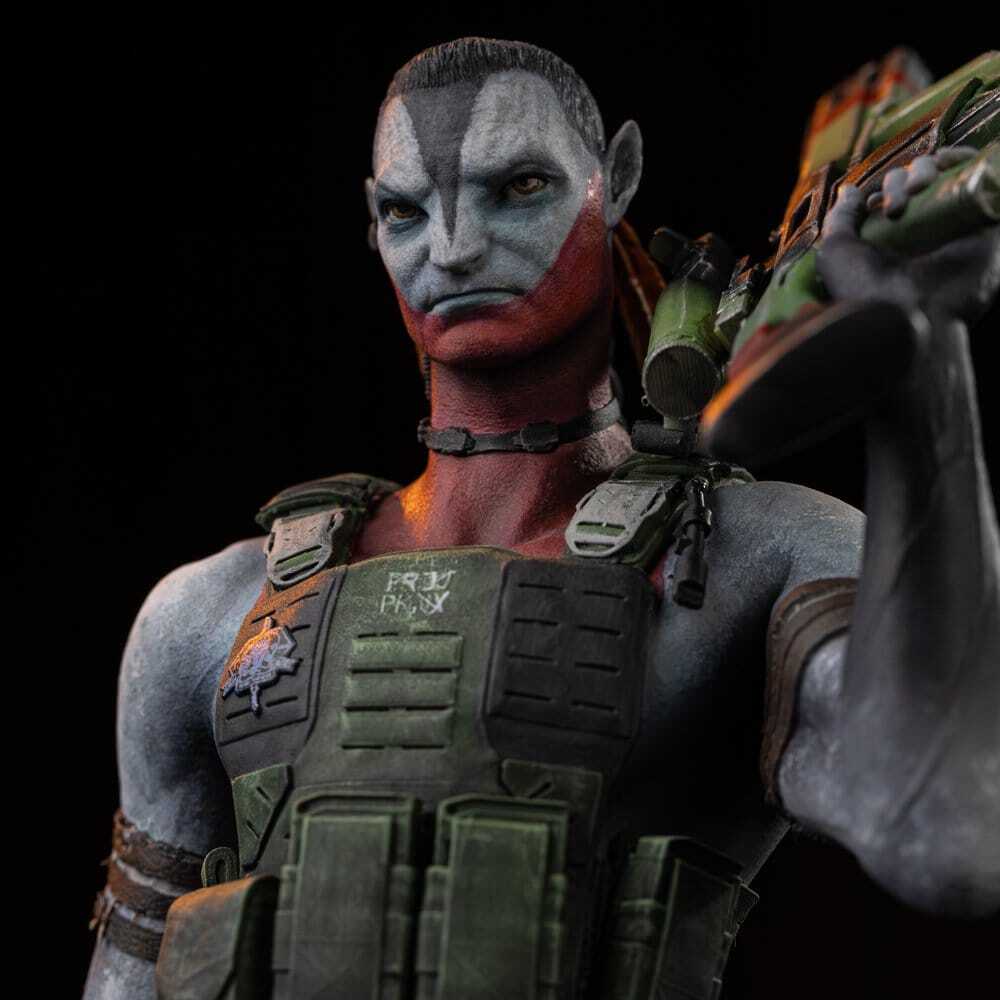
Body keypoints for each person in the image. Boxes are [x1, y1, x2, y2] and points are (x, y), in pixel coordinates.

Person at [84, 37, 1000, 1000]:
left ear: (618, 178)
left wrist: (921, 362)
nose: (451, 249)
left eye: (517, 187)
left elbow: (951, 838)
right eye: (405, 211)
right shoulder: (209, 611)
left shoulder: (746, 558)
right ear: (372, 221)